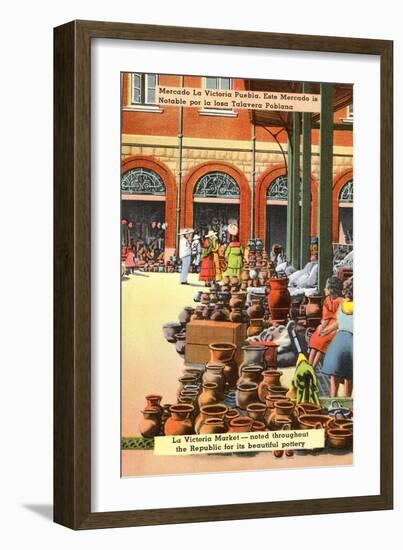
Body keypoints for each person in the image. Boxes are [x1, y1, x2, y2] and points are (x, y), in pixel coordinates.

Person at [321, 277, 354, 397]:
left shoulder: (343, 305)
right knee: (349, 376)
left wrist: (327, 330)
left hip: (339, 341)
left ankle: (332, 400)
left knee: (334, 375)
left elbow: (339, 322)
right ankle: (348, 401)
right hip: (352, 341)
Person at [308, 276, 344, 368]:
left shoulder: (341, 302)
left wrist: (328, 330)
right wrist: (322, 327)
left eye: (326, 287)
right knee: (316, 336)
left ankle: (313, 367)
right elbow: (326, 318)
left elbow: (341, 320)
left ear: (331, 289)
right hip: (329, 324)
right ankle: (308, 365)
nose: (324, 289)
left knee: (323, 341)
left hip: (337, 326)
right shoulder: (327, 300)